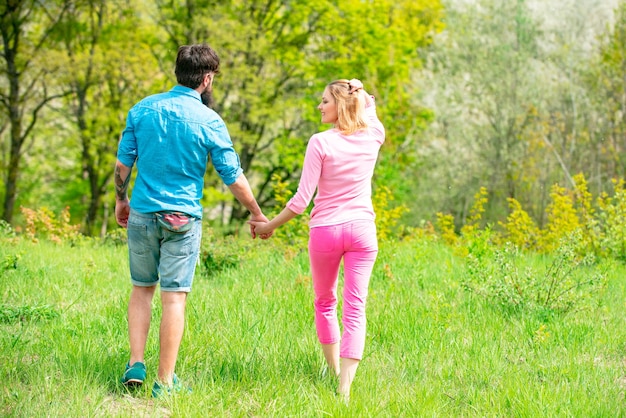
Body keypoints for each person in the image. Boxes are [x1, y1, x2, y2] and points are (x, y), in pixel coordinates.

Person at [114, 43, 269, 397]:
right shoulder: (209, 120)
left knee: (141, 289)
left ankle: (135, 362)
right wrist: (256, 213)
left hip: (141, 213)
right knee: (173, 298)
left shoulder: (142, 109)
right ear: (207, 79)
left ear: (178, 72)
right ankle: (164, 382)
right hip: (181, 220)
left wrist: (121, 201)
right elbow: (233, 176)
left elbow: (123, 165)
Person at [250, 78, 385, 401]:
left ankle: (335, 371)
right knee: (356, 306)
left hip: (326, 231)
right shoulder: (373, 136)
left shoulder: (320, 142)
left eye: (324, 101)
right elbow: (369, 105)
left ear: (339, 105)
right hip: (362, 232)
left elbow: (300, 201)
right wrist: (357, 87)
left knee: (326, 302)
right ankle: (344, 388)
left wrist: (270, 225)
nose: (319, 106)